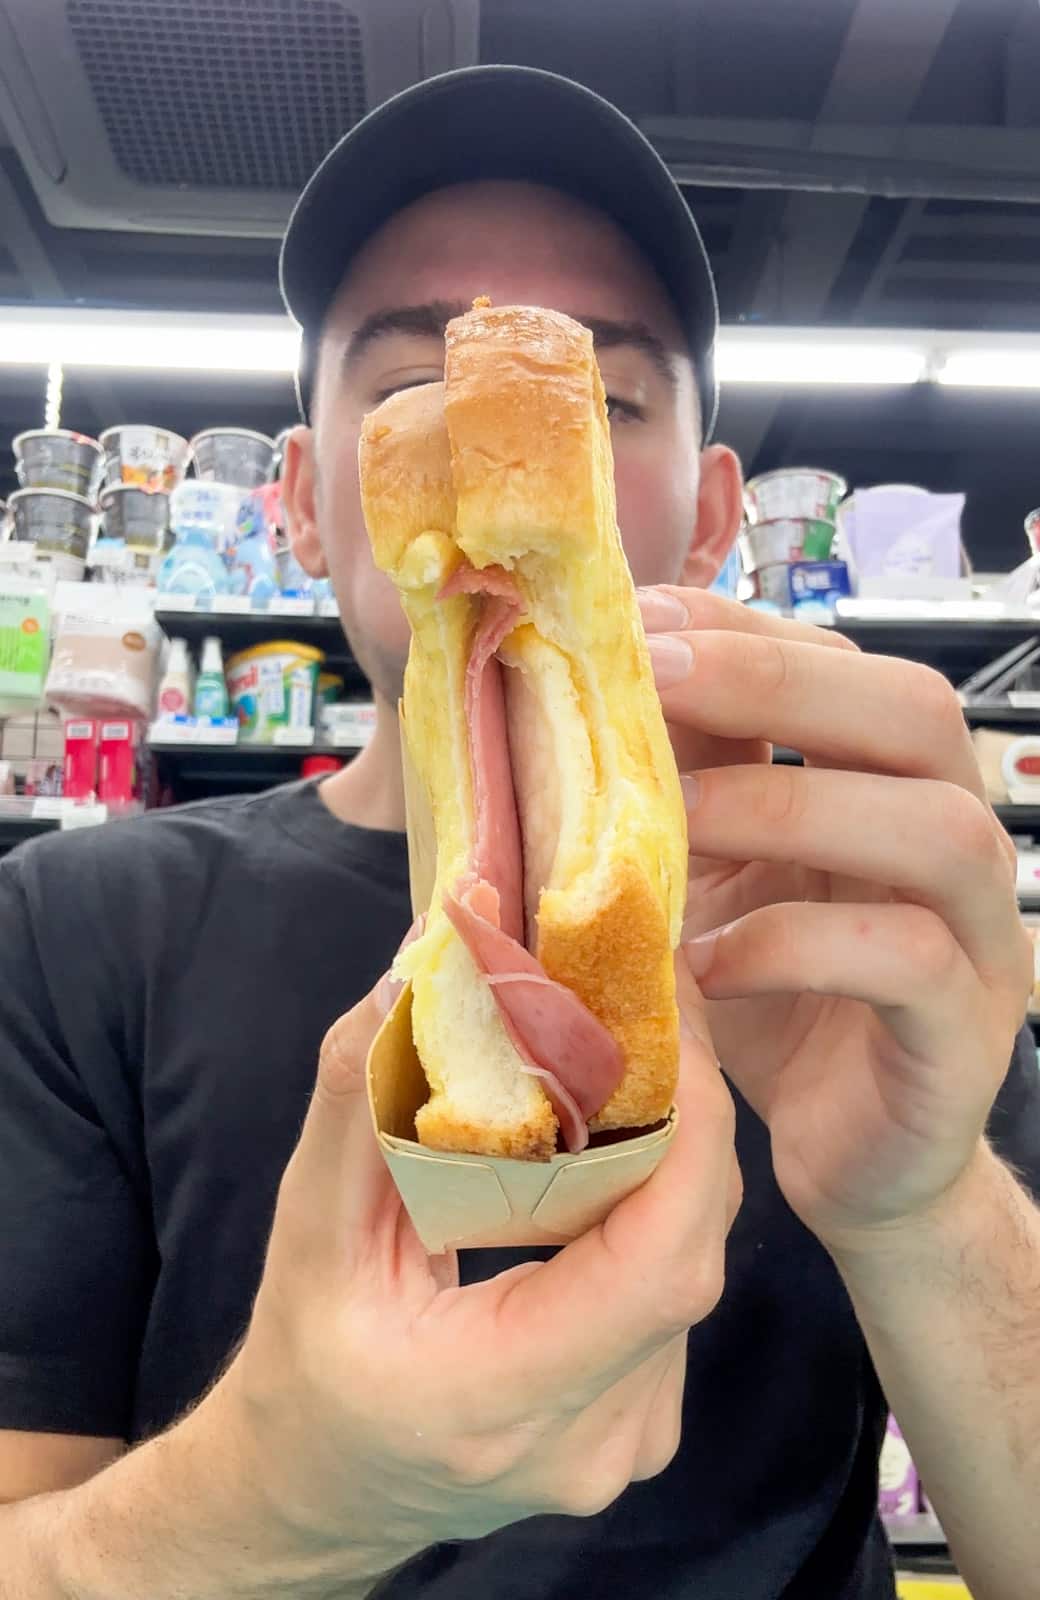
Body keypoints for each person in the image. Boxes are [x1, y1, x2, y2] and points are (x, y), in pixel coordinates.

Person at [1, 65, 1039, 1600]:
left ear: (705, 513)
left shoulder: (871, 928)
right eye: (412, 383)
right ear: (303, 498)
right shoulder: (75, 925)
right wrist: (274, 1501)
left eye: (601, 397)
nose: (501, 440)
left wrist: (921, 1202)